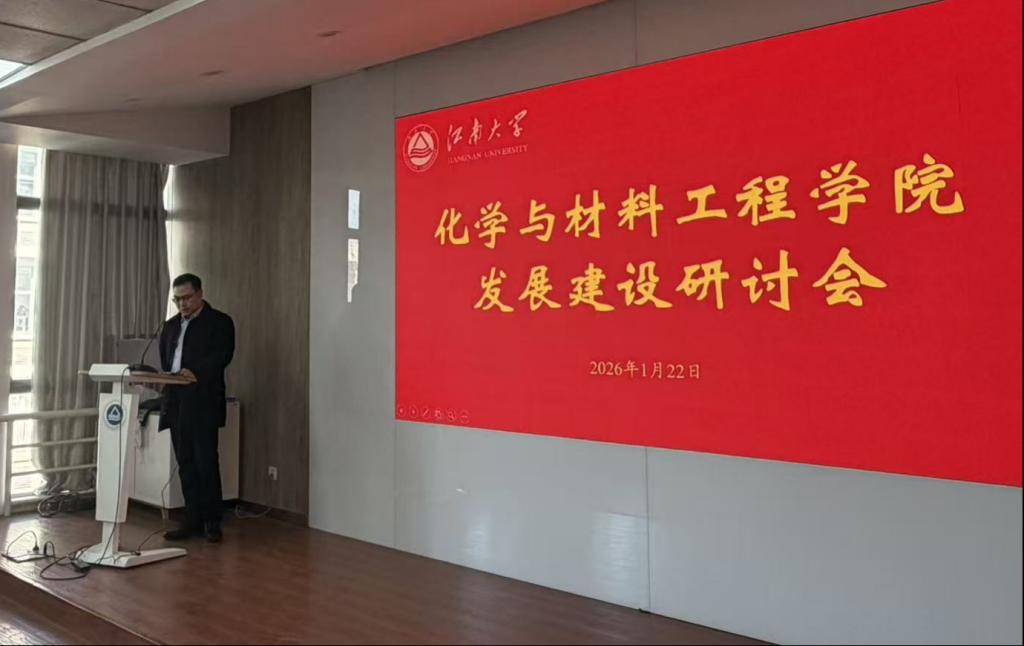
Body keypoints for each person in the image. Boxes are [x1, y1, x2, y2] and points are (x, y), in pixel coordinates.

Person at [159, 273, 235, 543]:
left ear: (200, 294)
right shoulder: (170, 326)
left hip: (203, 401)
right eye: (177, 299)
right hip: (176, 401)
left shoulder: (220, 322)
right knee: (186, 463)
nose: (183, 304)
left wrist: (195, 372)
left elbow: (222, 355)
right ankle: (191, 520)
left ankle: (212, 521)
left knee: (206, 462)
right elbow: (166, 359)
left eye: (187, 298)